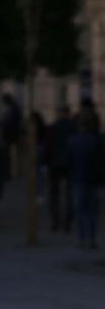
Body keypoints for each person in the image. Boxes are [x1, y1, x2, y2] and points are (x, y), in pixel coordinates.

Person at [68, 112, 103, 249]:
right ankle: (92, 239)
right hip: (93, 181)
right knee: (92, 212)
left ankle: (81, 239)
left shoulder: (73, 141)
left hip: (78, 179)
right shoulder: (96, 141)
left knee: (80, 212)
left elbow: (68, 161)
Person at [48, 103, 76, 233]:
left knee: (55, 193)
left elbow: (48, 146)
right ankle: (67, 222)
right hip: (70, 163)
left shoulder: (54, 127)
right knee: (69, 193)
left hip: (55, 164)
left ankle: (56, 221)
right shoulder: (73, 127)